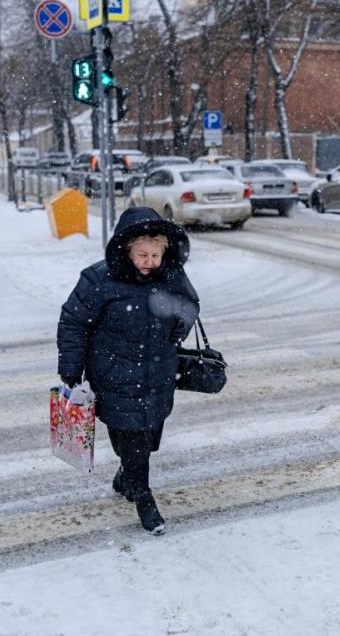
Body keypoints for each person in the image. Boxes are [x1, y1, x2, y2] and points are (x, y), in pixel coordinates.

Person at [57, 206, 199, 534]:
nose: (149, 263)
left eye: (155, 255)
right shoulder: (98, 279)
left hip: (159, 374)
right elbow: (73, 322)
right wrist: (70, 369)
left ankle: (127, 476)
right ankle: (143, 497)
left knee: (147, 437)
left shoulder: (172, 275)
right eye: (142, 254)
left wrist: (181, 323)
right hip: (115, 377)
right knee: (131, 436)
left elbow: (191, 305)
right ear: (127, 249)